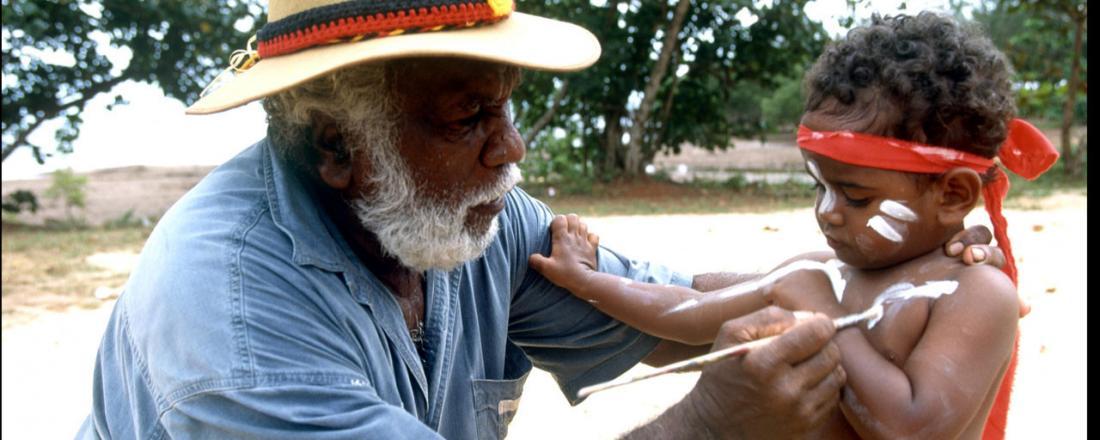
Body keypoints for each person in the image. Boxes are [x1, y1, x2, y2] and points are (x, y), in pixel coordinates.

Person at [76, 2, 1002, 439]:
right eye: (469, 116)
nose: (510, 151)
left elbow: (686, 319)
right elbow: (723, 387)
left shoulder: (471, 221)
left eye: (510, 108)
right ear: (333, 145)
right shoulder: (237, 335)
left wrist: (898, 284)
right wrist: (709, 429)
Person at [530, 12, 1058, 440]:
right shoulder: (822, 273)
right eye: (820, 187)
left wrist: (819, 310)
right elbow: (683, 313)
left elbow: (912, 428)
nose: (827, 211)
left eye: (855, 195)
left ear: (954, 194)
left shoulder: (975, 292)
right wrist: (586, 280)